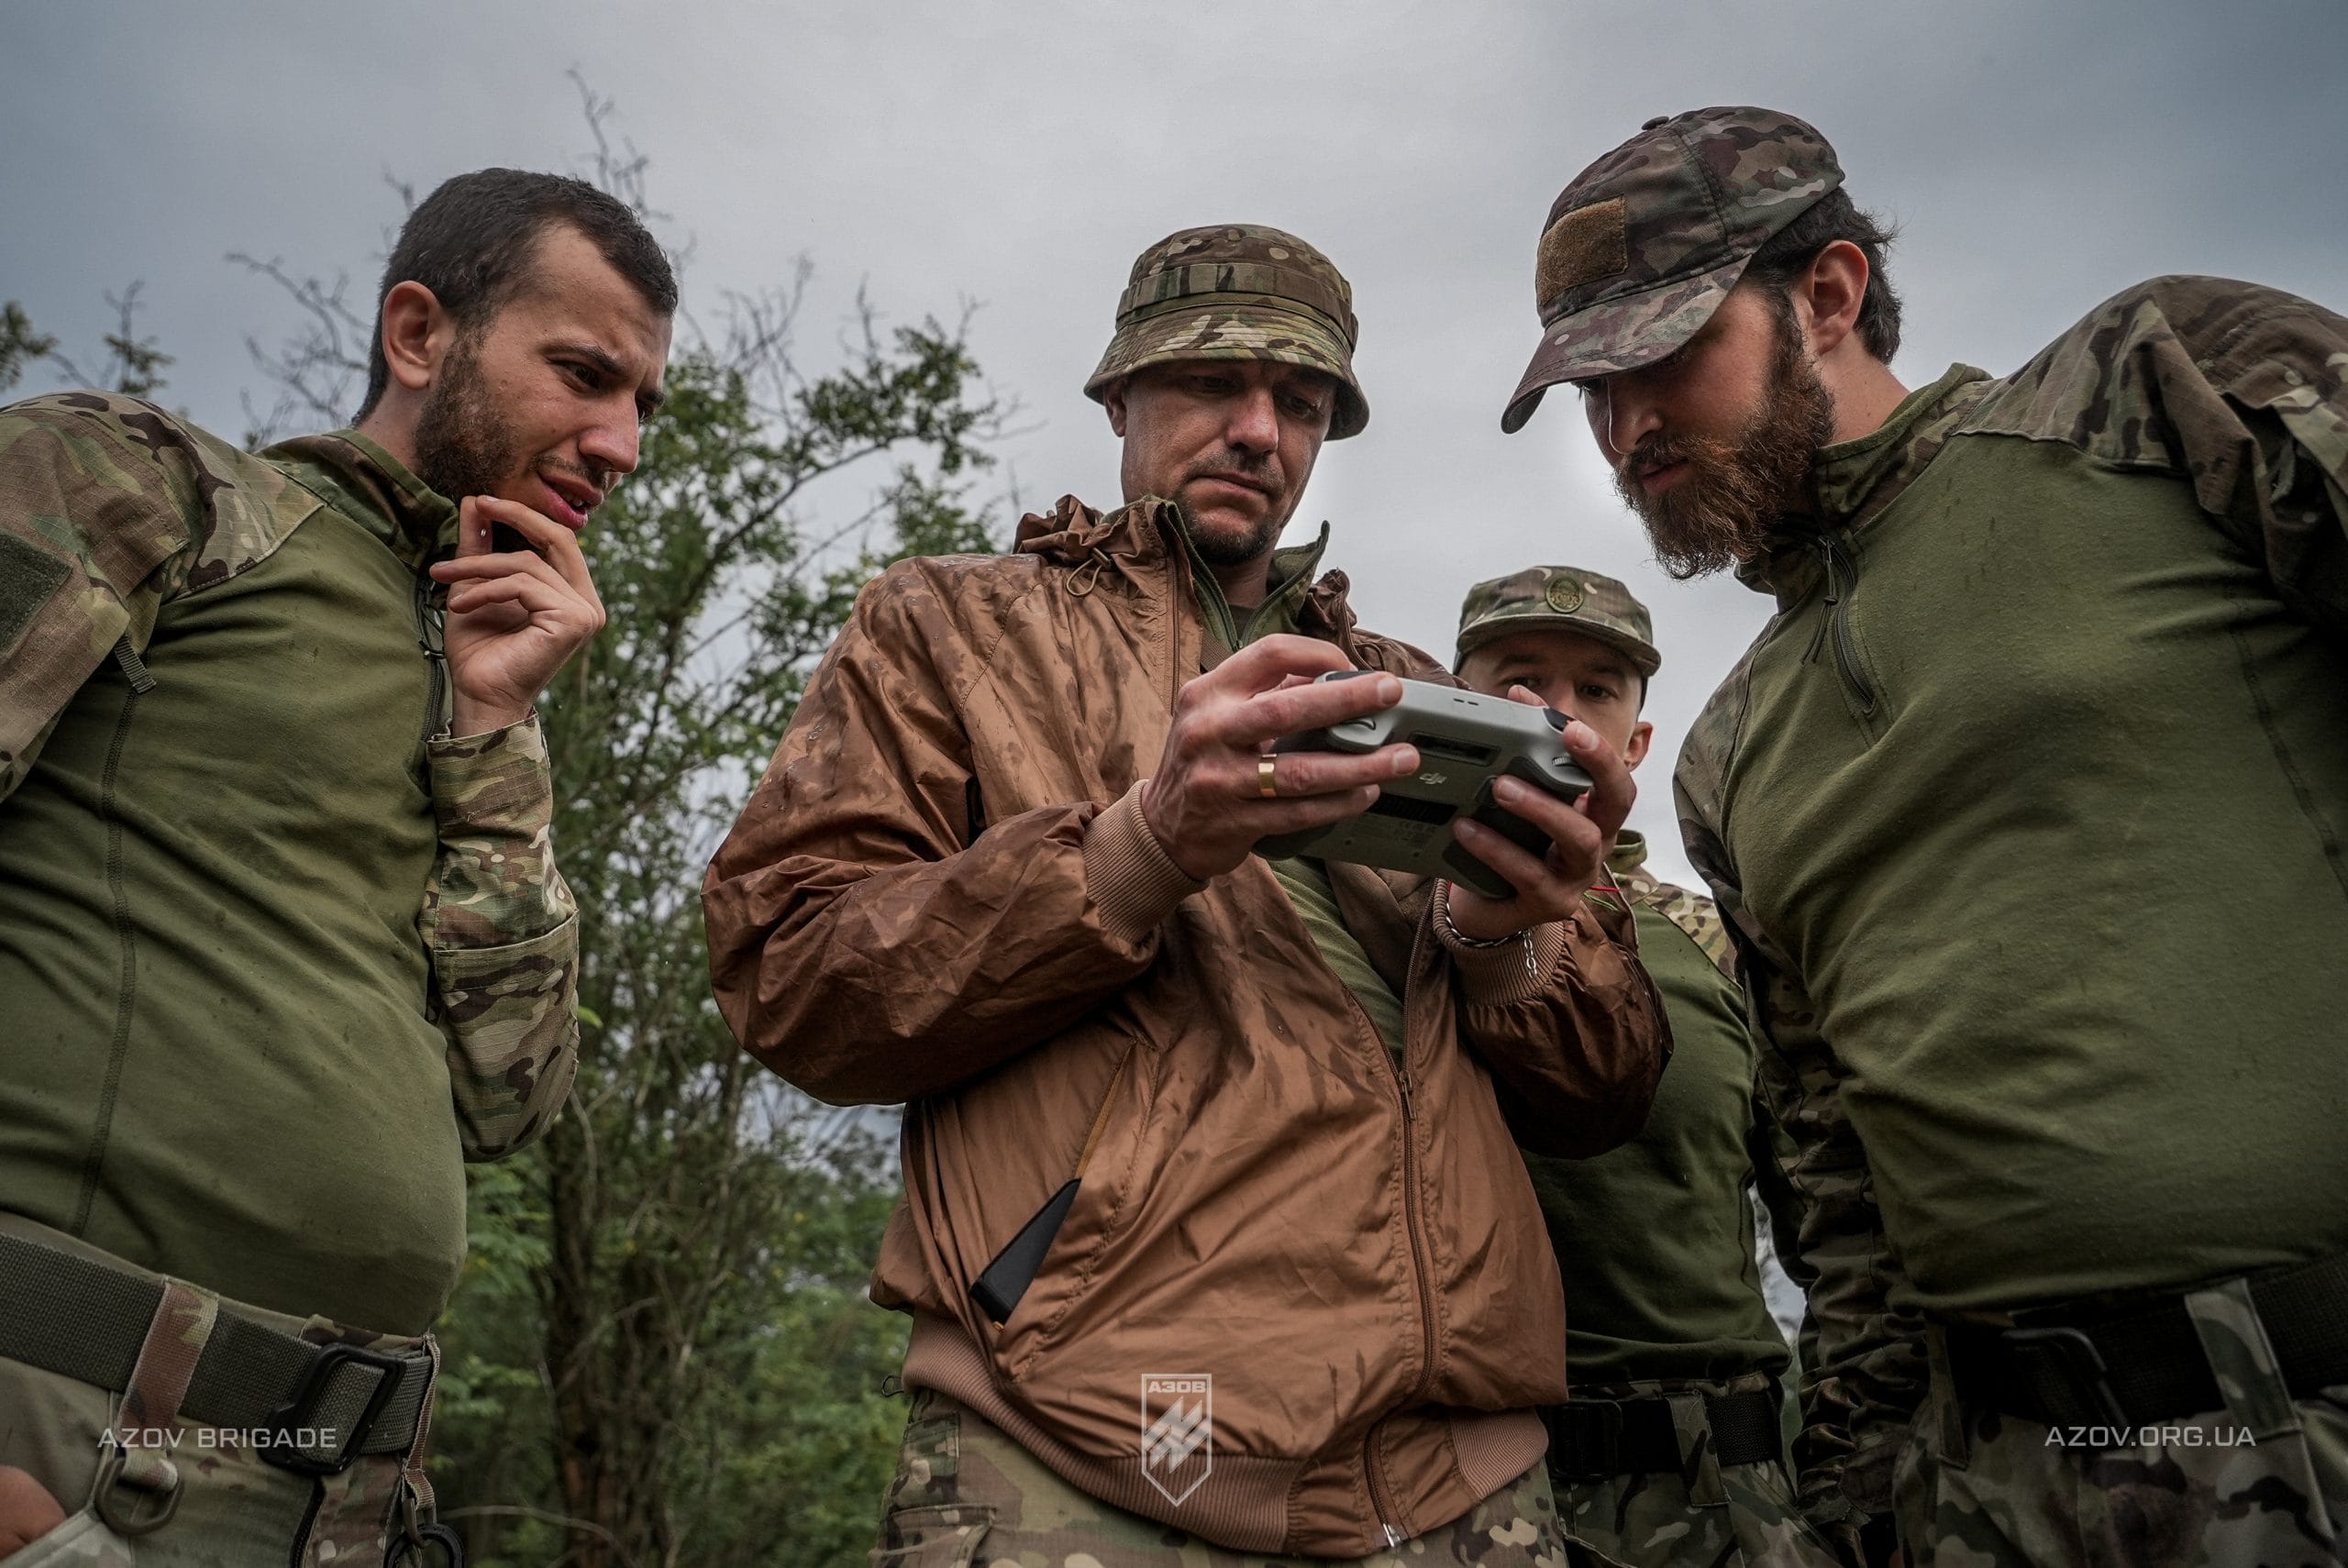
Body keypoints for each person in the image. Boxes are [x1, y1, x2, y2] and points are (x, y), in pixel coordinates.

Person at [703, 224, 1668, 1564]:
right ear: (1119, 396)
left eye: (1305, 402)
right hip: (1095, 1454)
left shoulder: (1413, 692)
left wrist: (1506, 941)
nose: (1260, 429)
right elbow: (789, 975)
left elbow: (1608, 1092)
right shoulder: (947, 626)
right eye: (1215, 382)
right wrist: (1140, 847)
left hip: (1459, 1485)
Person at [1500, 104, 2348, 1568]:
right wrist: (1867, 1501)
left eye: (1662, 356)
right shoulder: (1725, 749)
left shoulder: (2151, 389)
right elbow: (1837, 1200)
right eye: (1594, 388)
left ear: (1826, 294)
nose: (1628, 425)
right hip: (1994, 1484)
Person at [0, 167, 673, 1565]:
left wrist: (495, 729)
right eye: (582, 373)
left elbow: (510, 1095)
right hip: (64, 1438)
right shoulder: (154, 488)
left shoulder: (486, 670)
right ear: (420, 334)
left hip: (340, 1494)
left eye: (642, 407)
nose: (620, 443)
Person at [1455, 565, 1834, 1568]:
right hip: (1465, 1492)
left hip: (1724, 1490)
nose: (1553, 716)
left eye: (1597, 690)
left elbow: (1835, 1237)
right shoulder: (1385, 928)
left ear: (1634, 744)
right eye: (1516, 680)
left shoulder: (1716, 942)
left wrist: (1857, 1480)